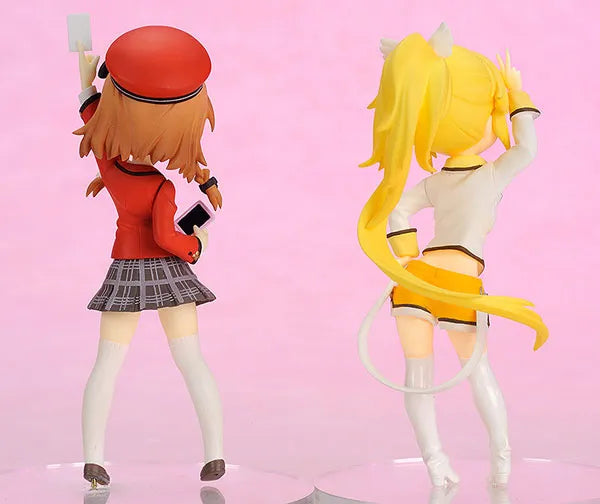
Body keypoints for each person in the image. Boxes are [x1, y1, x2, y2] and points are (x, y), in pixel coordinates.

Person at [358, 23, 548, 487]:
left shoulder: (447, 181)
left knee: (423, 376)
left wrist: (407, 258)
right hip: (447, 282)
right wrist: (516, 93)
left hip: (421, 282)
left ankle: (443, 462)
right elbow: (526, 147)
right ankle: (491, 460)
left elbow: (398, 208)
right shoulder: (489, 174)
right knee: (471, 373)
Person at [73, 26, 225, 487]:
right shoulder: (161, 187)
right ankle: (215, 455)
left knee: (107, 364)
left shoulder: (107, 163)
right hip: (168, 276)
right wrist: (194, 246)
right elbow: (164, 236)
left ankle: (93, 460)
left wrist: (85, 75)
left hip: (124, 270)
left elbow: (92, 110)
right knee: (191, 360)